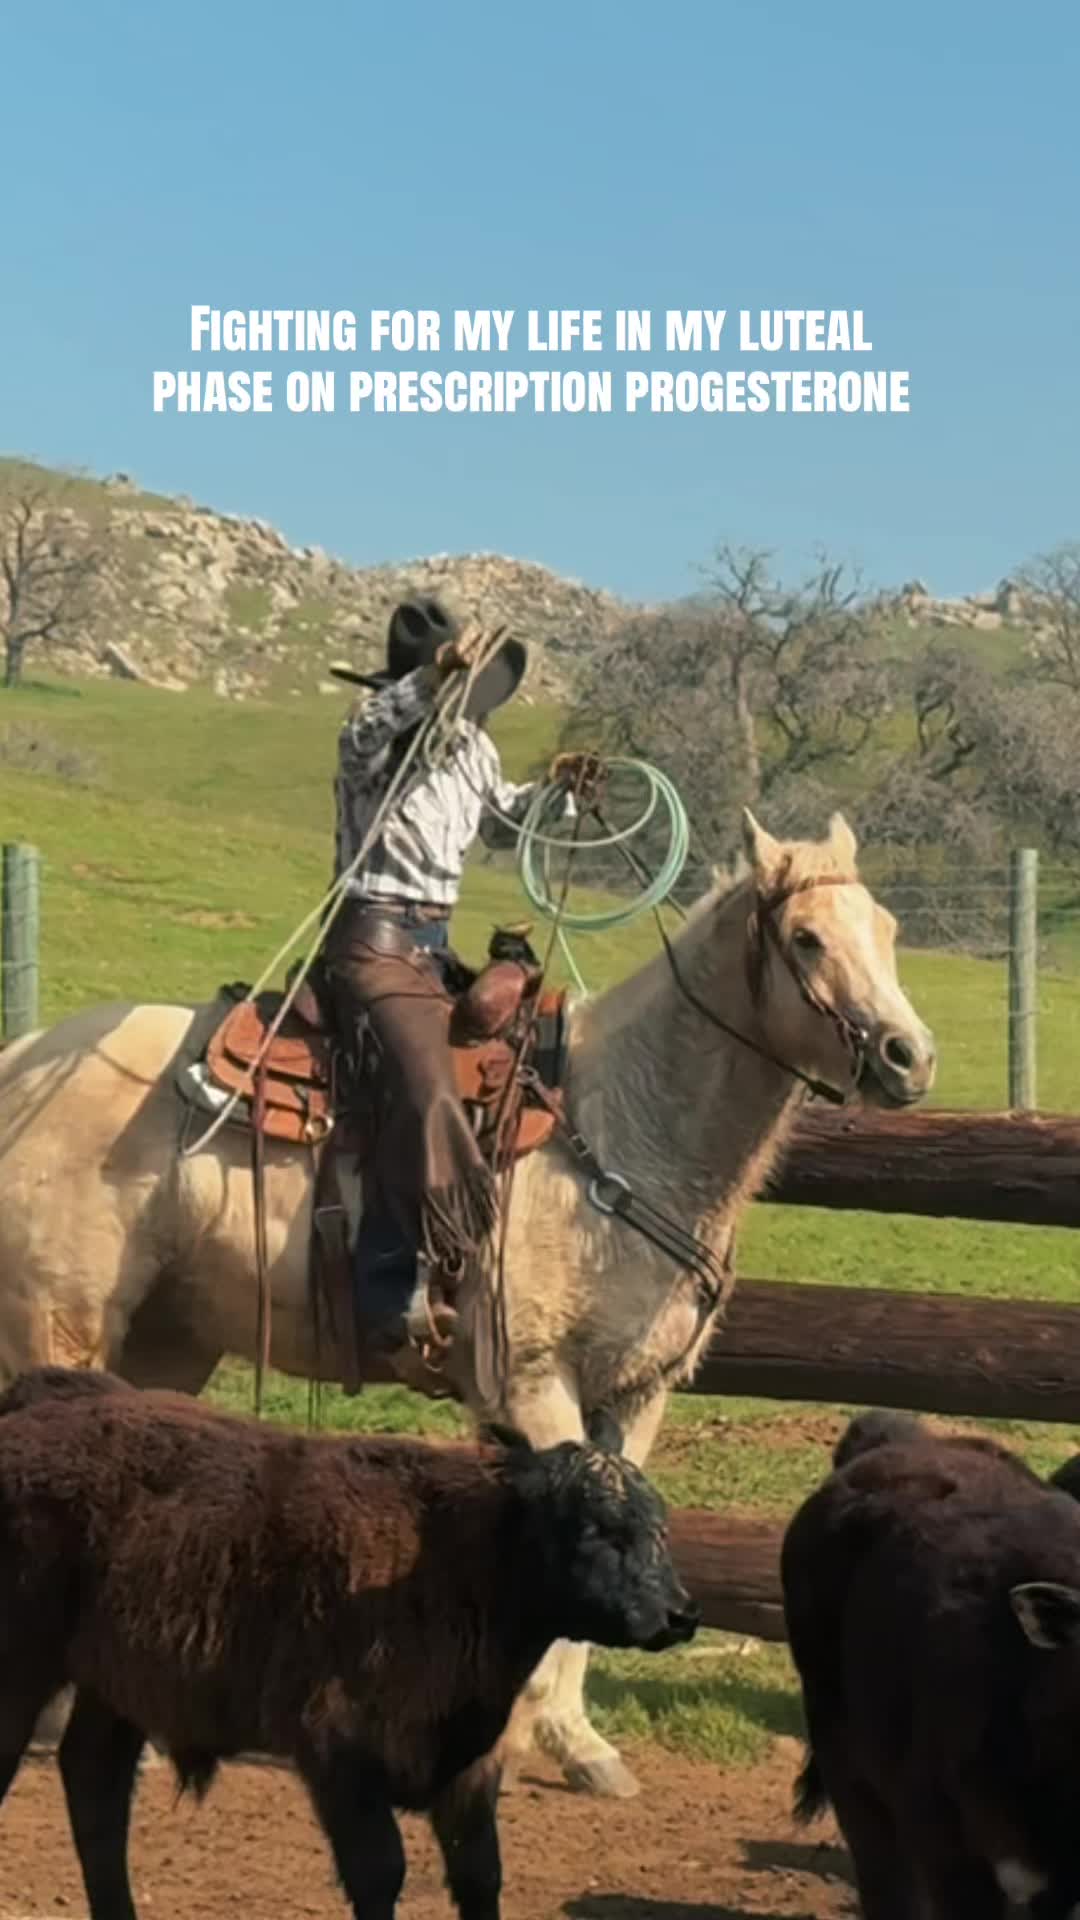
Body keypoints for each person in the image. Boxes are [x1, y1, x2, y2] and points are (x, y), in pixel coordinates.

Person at [322, 594, 590, 1356]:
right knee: (428, 1087)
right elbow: (367, 734)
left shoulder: (473, 748)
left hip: (434, 946)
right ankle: (389, 1288)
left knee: (534, 1053)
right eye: (454, 682)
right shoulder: (374, 730)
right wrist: (428, 683)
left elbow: (505, 822)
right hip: (371, 942)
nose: (464, 698)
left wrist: (562, 794)